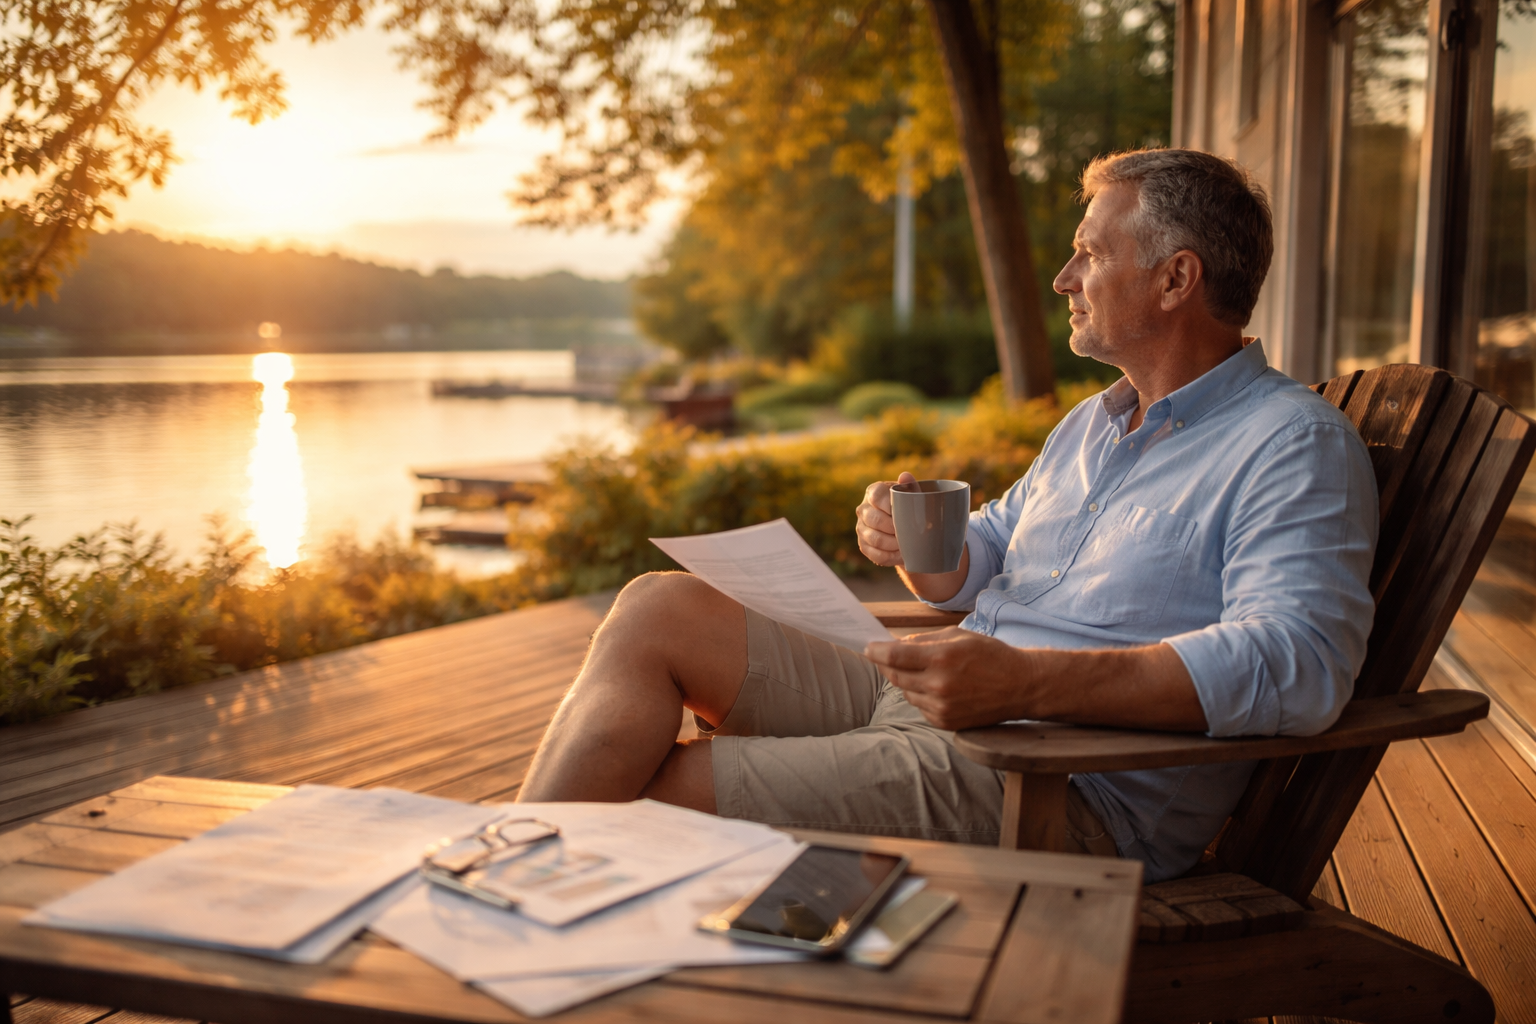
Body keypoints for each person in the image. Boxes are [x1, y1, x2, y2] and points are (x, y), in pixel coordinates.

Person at [516, 148, 1378, 882]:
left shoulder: (1291, 444)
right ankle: (502, 866)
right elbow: (986, 558)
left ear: (1175, 278)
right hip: (939, 703)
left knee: (647, 796)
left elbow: (1298, 662)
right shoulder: (1094, 424)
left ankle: (494, 919)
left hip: (1053, 782)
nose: (1063, 278)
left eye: (1088, 253)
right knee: (656, 605)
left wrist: (1030, 683)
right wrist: (917, 542)